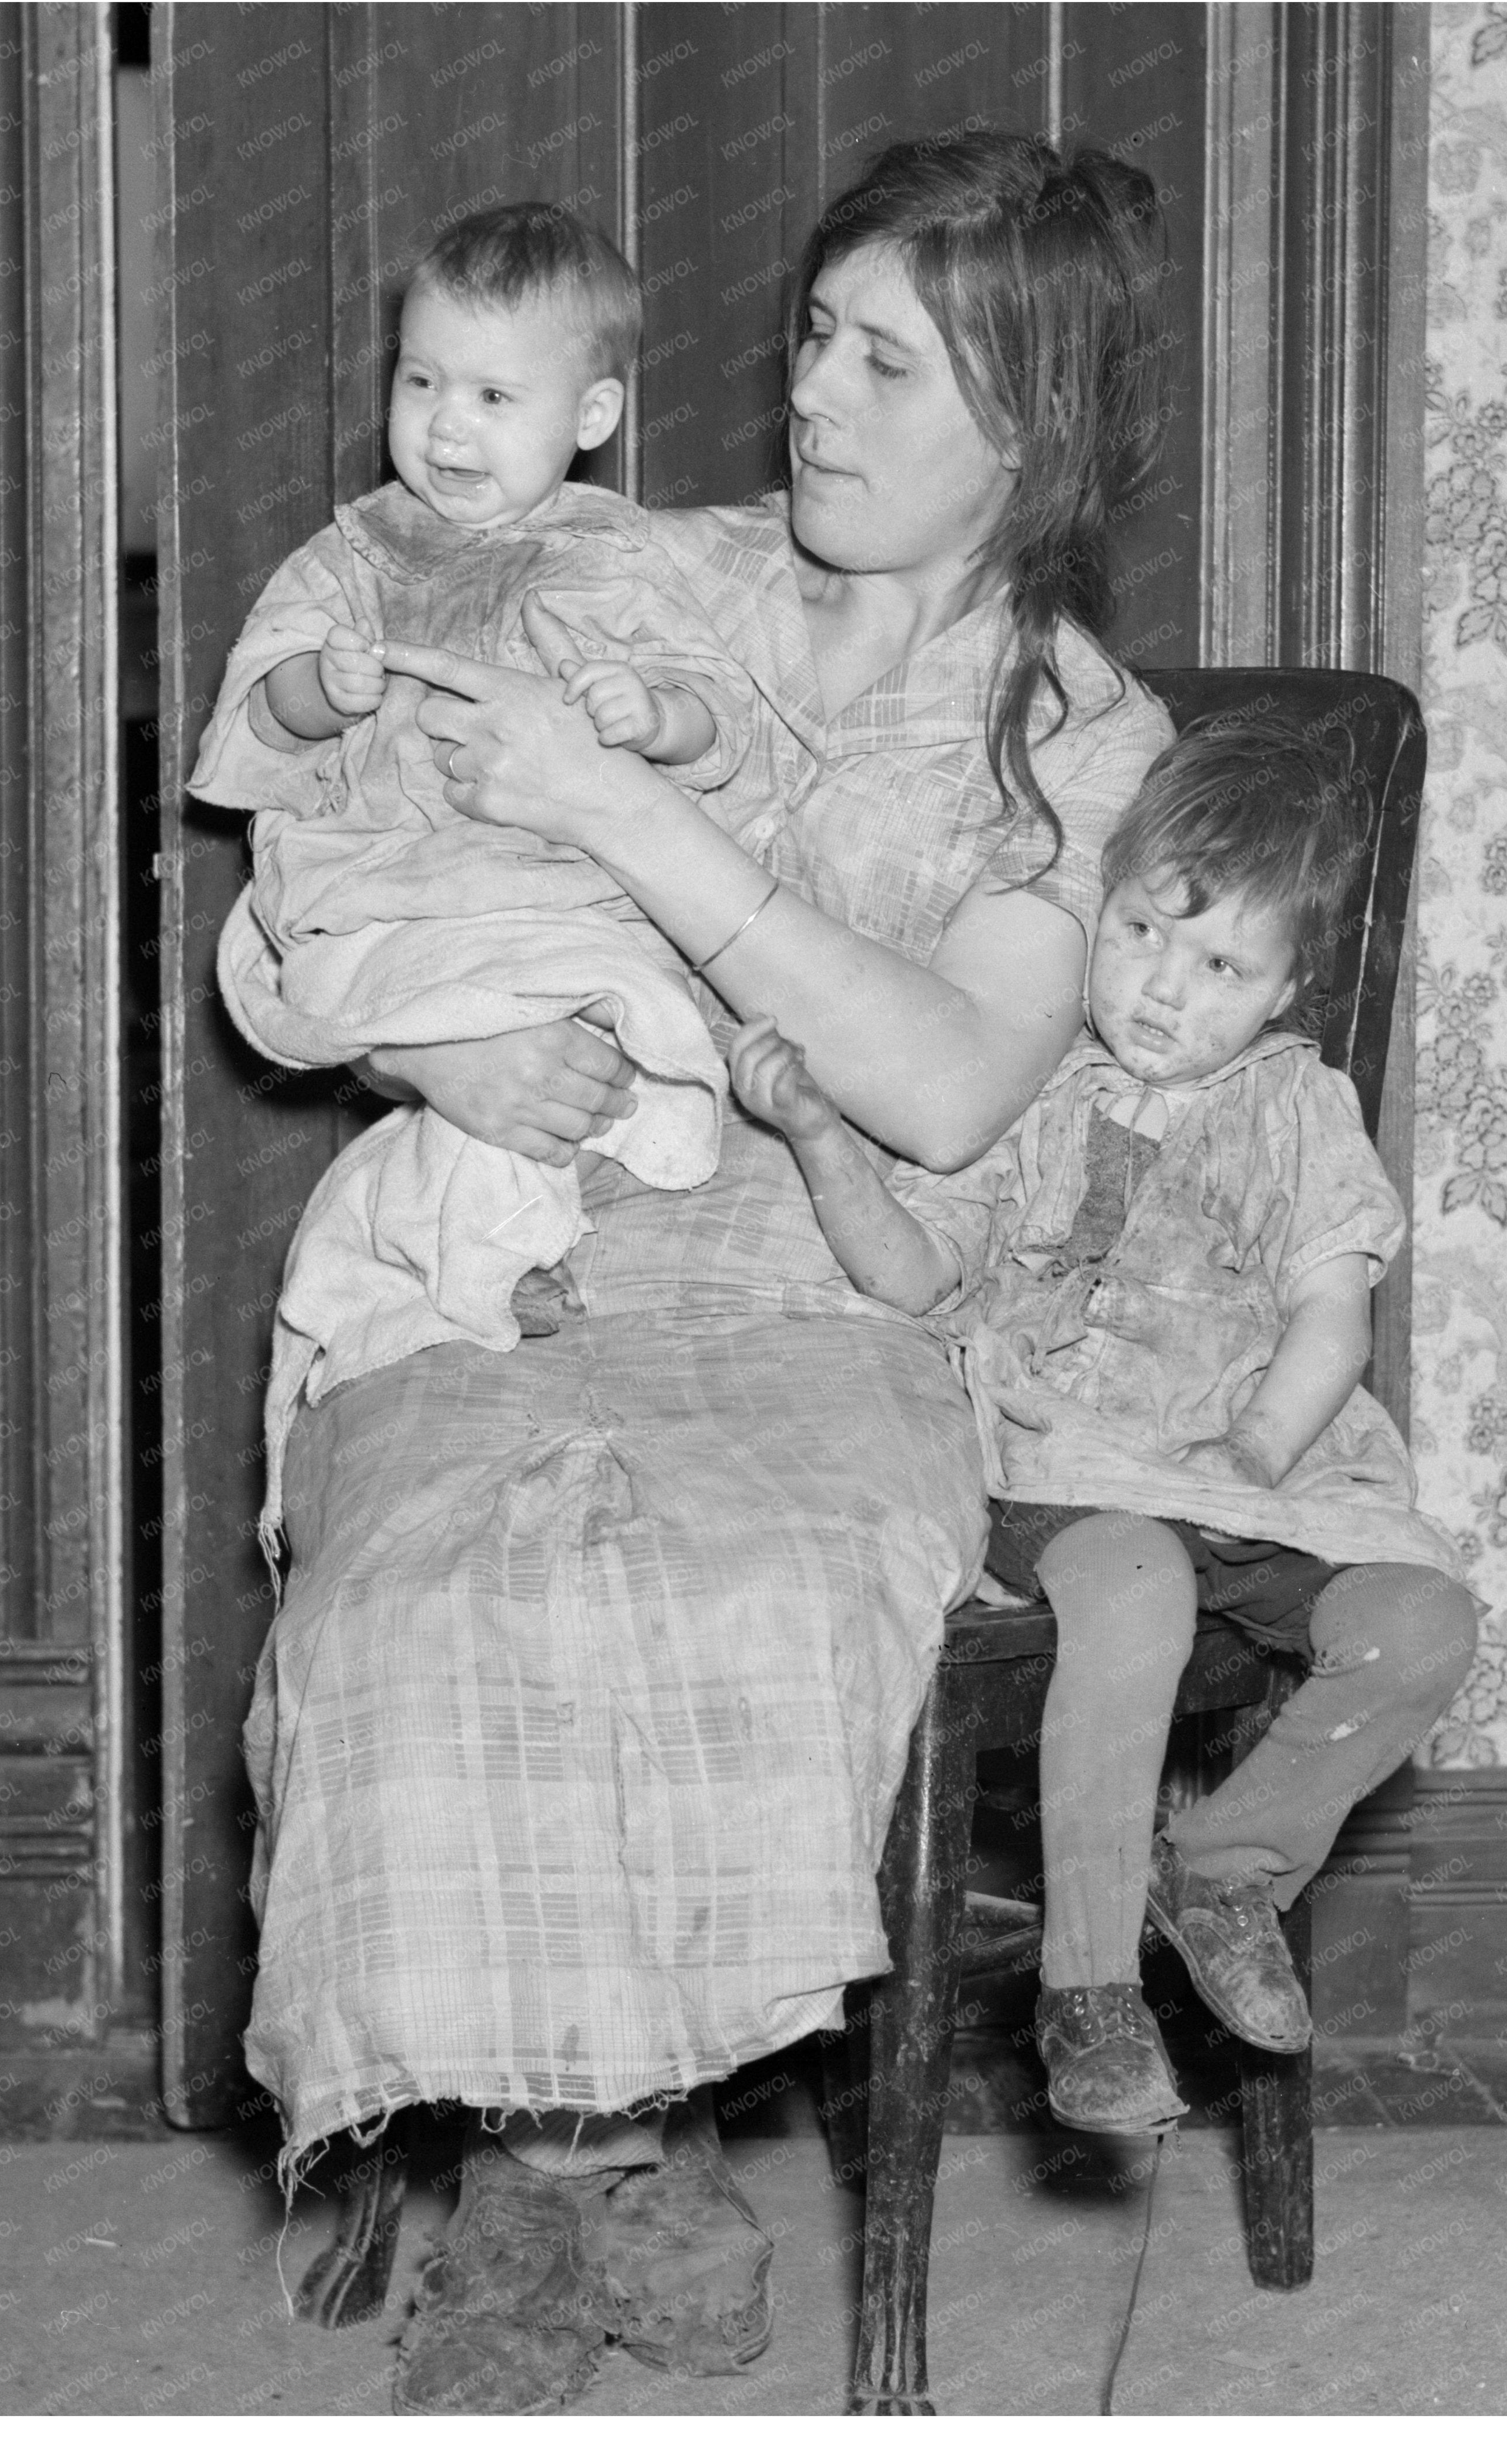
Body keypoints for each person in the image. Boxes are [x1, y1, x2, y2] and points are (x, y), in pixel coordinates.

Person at [227, 130, 1175, 2414]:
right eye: (809, 346)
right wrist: (438, 1042)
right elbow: (285, 931)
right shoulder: (612, 567)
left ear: (1027, 427)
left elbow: (946, 1087)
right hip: (511, 1249)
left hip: (840, 1303)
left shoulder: (1083, 739)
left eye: (881, 363)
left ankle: (587, 2161)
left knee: (753, 1588)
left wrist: (623, 812)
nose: (811, 403)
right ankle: (585, 2159)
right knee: (416, 1597)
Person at [728, 709, 1483, 2135]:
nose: (1162, 990)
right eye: (1139, 931)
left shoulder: (1293, 1107)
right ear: (1100, 907)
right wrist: (829, 1142)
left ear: (1281, 991)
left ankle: (1221, 1870)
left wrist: (1261, 1449)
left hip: (1254, 1457)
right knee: (1135, 1590)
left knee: (1423, 1623)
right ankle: (1089, 1991)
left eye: (1220, 967)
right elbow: (915, 1272)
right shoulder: (1030, 1080)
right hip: (1065, 1452)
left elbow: (1335, 1315)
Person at [184, 202, 768, 1416]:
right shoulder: (351, 559)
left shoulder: (618, 560)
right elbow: (257, 719)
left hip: (543, 909)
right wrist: (315, 689)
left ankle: (470, 1271)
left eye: (494, 398)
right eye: (422, 380)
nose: (447, 424)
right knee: (475, 1090)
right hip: (388, 899)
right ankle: (472, 1281)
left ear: (590, 417)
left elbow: (721, 718)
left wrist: (653, 711)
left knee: (596, 1050)